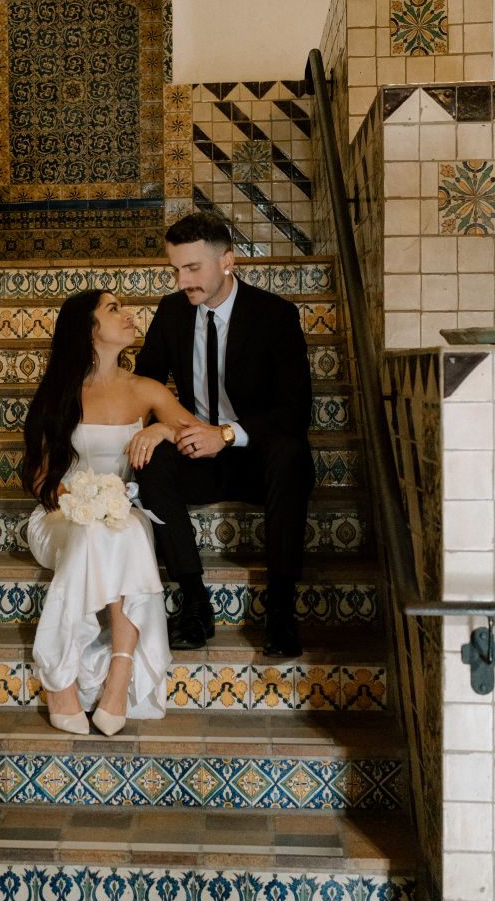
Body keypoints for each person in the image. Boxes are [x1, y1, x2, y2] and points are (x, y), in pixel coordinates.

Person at [134, 212, 314, 657]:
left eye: (193, 268)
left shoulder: (275, 315)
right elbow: (145, 382)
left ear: (228, 260)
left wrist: (227, 435)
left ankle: (280, 608)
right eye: (176, 269)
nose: (182, 281)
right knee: (149, 459)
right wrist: (160, 425)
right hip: (197, 453)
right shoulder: (172, 311)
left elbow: (294, 411)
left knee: (291, 455)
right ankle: (194, 601)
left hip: (256, 457)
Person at [23, 289, 192, 736]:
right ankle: (59, 681)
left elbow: (195, 433)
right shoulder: (59, 394)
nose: (128, 315)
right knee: (97, 532)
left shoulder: (145, 390)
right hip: (61, 517)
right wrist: (81, 503)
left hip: (121, 513)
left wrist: (158, 429)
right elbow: (41, 481)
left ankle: (119, 678)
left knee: (131, 528)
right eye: (113, 309)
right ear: (88, 328)